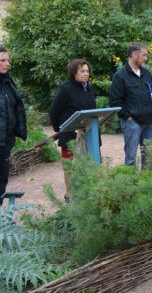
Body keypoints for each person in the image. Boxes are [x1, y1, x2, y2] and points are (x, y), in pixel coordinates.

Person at [50, 59, 98, 203]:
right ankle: (69, 194)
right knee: (70, 166)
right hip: (70, 134)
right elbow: (54, 111)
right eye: (82, 71)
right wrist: (60, 129)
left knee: (91, 164)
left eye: (87, 71)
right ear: (73, 72)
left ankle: (88, 193)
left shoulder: (90, 87)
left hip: (89, 133)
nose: (86, 74)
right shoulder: (65, 88)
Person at [109, 42, 152, 169]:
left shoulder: (146, 74)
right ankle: (131, 186)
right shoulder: (120, 76)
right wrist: (128, 117)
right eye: (144, 55)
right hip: (132, 123)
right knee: (131, 159)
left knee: (149, 157)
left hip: (149, 123)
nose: (146, 58)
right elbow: (115, 101)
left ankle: (147, 183)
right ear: (134, 54)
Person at [0, 47, 27, 206]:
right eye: (3, 60)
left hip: (5, 141)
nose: (7, 63)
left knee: (2, 179)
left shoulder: (8, 81)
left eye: (8, 60)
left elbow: (17, 108)